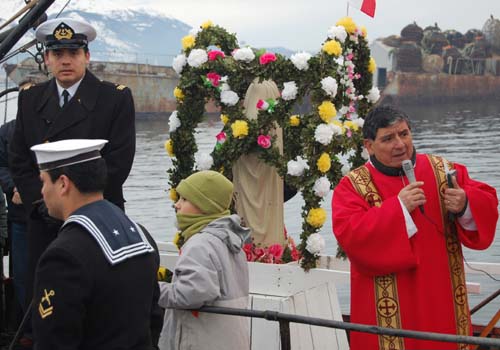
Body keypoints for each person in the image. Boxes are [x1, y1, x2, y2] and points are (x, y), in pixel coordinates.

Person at [331, 105, 498, 350]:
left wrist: (465, 204)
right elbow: (352, 236)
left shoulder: (441, 170)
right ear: (369, 146)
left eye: (404, 134)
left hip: (442, 295)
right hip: (386, 307)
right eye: (388, 138)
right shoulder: (352, 186)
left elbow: (488, 202)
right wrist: (398, 208)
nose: (400, 144)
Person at [8, 17, 136, 331]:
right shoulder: (30, 99)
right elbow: (20, 159)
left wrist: (76, 208)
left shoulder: (114, 98)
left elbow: (118, 162)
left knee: (98, 305)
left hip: (98, 221)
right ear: (47, 58)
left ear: (87, 56)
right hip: (45, 218)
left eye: (74, 52)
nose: (66, 60)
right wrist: (45, 203)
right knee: (47, 307)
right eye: (58, 53)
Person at [30, 139, 161, 349]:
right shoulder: (139, 233)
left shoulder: (64, 256)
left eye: (44, 181)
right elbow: (153, 318)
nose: (42, 191)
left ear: (63, 183)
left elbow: (54, 340)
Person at [158, 170, 250, 350]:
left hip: (201, 341)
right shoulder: (230, 240)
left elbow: (192, 294)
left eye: (184, 199)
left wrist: (153, 290)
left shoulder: (200, 244)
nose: (177, 205)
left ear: (204, 205)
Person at [0, 119, 28, 323]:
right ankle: (25, 326)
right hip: (19, 216)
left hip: (50, 214)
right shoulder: (6, 131)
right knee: (21, 273)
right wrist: (15, 188)